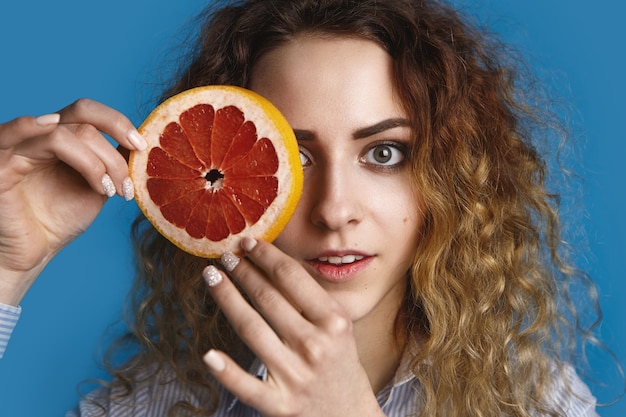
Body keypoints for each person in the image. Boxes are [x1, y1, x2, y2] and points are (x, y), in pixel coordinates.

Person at [0, 0, 610, 415]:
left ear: (449, 175)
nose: (335, 210)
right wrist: (6, 270)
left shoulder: (536, 402)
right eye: (295, 158)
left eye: (385, 153)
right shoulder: (155, 404)